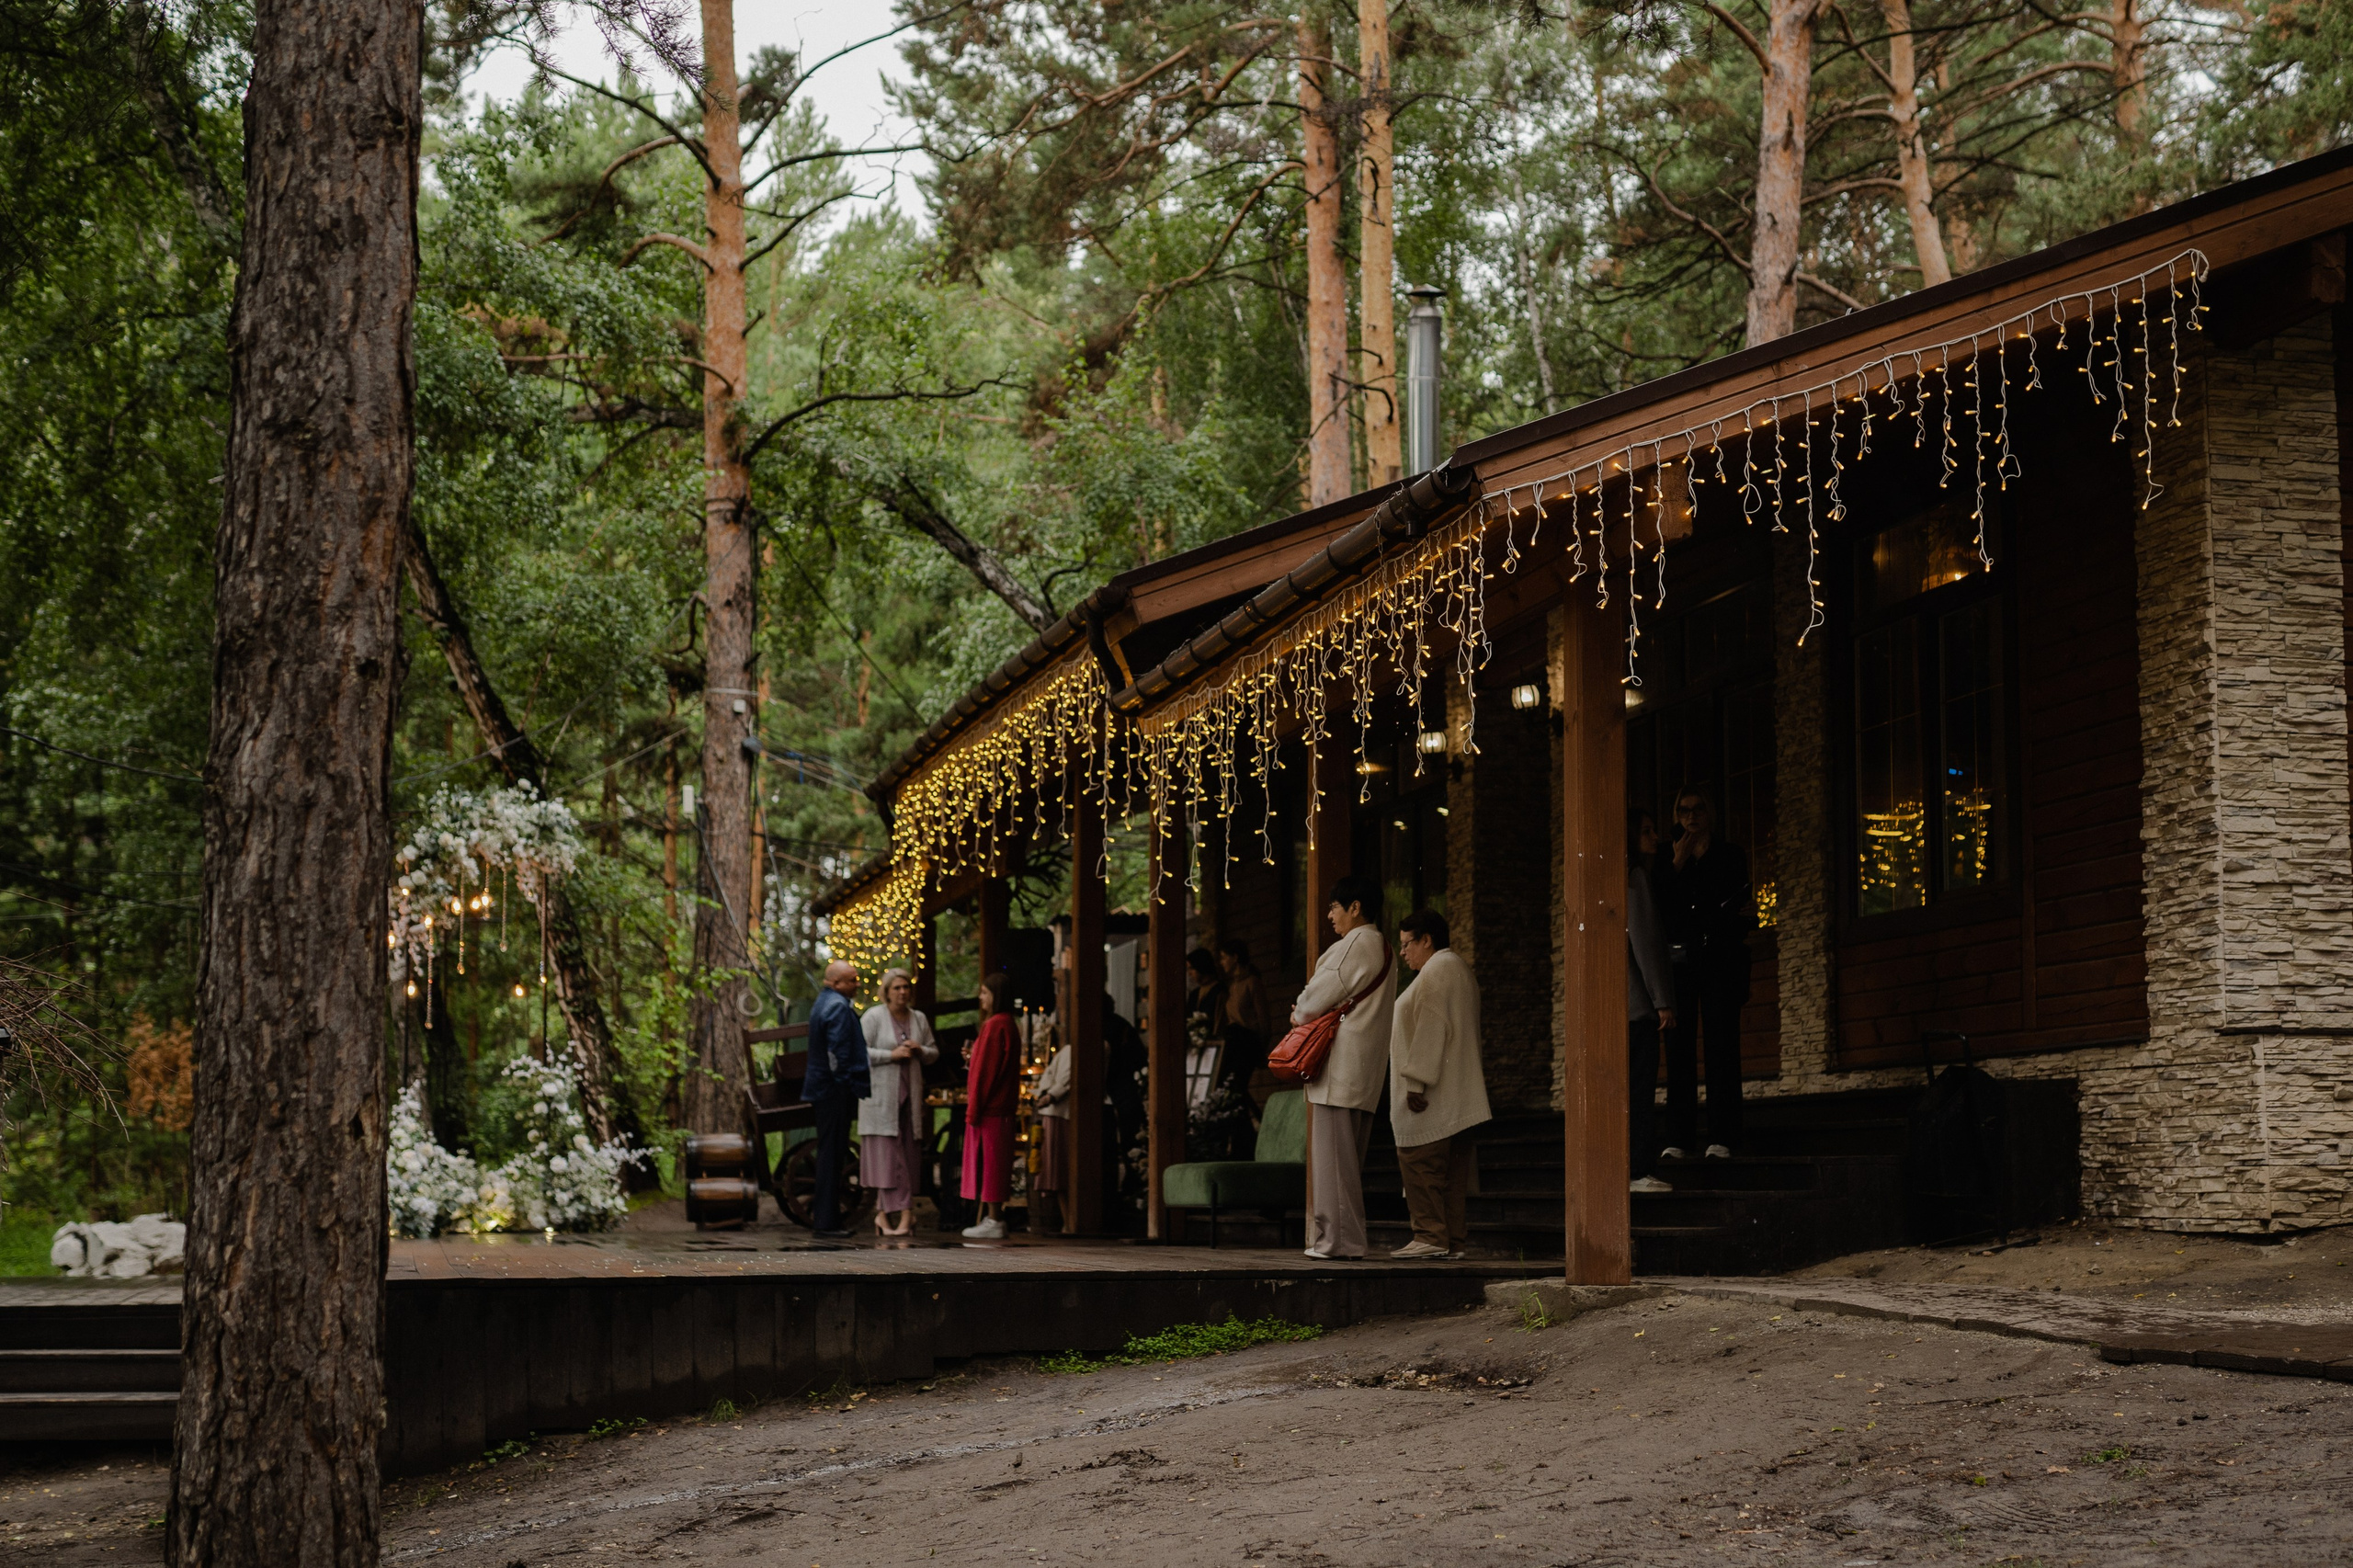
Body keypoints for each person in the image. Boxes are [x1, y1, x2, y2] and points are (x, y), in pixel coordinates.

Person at [1289, 873, 1396, 1260]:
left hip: (1339, 1068)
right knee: (1349, 1159)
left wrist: (1299, 1012)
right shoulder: (1382, 946)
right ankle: (1344, 1240)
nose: (1330, 915)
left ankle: (1337, 1242)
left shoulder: (1354, 943)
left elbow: (1312, 1001)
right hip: (1364, 1068)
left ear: (1355, 907)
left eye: (1335, 906)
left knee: (1333, 1161)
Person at [1386, 908, 1490, 1258]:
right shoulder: (1458, 969)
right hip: (1459, 1093)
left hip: (1434, 1092)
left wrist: (1416, 1082)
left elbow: (1432, 1029)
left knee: (1419, 1160)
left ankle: (1430, 1235)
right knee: (1453, 1174)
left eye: (1406, 944)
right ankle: (1453, 1241)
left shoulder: (1435, 973)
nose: (1402, 953)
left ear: (1426, 940)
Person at [1661, 788, 1754, 1160]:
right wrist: (1677, 865)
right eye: (1683, 811)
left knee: (1722, 1046)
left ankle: (1724, 1135)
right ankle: (1679, 1139)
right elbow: (1662, 908)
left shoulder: (1729, 855)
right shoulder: (1669, 859)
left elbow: (1738, 906)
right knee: (1679, 1051)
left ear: (1709, 813)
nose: (1691, 817)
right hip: (1681, 963)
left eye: (1698, 809)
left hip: (1720, 961)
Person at [858, 968, 938, 1237]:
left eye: (906, 987)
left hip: (910, 1096)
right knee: (889, 1159)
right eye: (897, 988)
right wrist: (890, 1055)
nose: (902, 992)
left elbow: (933, 1053)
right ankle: (900, 1214)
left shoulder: (919, 1018)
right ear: (887, 991)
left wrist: (920, 1050)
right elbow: (859, 1053)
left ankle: (889, 1215)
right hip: (882, 1098)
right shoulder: (873, 1017)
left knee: (906, 1157)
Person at [1625, 811, 1678, 1195]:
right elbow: (1646, 944)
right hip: (1638, 1005)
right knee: (1640, 1091)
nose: (1655, 837)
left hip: (1616, 1007)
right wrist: (1663, 1000)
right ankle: (1638, 1170)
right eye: (1646, 830)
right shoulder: (1635, 879)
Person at [801, 959, 870, 1237]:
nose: (857, 984)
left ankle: (826, 1219)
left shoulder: (825, 1002)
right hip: (832, 1092)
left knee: (830, 1153)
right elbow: (837, 1054)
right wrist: (844, 1085)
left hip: (825, 1090)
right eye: (852, 980)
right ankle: (826, 1222)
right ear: (836, 982)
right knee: (831, 1154)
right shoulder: (838, 1007)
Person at [960, 972, 1020, 1240]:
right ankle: (993, 1217)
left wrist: (974, 1108)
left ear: (998, 995)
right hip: (1000, 1107)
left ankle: (994, 1218)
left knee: (990, 1162)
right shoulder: (1007, 1023)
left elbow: (986, 1071)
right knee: (995, 1161)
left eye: (985, 992)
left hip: (991, 1109)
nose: (981, 997)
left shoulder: (995, 1024)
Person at [1216, 938, 1272, 1097]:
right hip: (1232, 1041)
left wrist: (1261, 1049)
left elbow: (1264, 1020)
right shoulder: (1232, 986)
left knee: (1236, 1089)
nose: (1221, 962)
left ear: (1235, 957)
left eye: (1224, 957)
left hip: (1246, 1043)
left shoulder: (1252, 983)